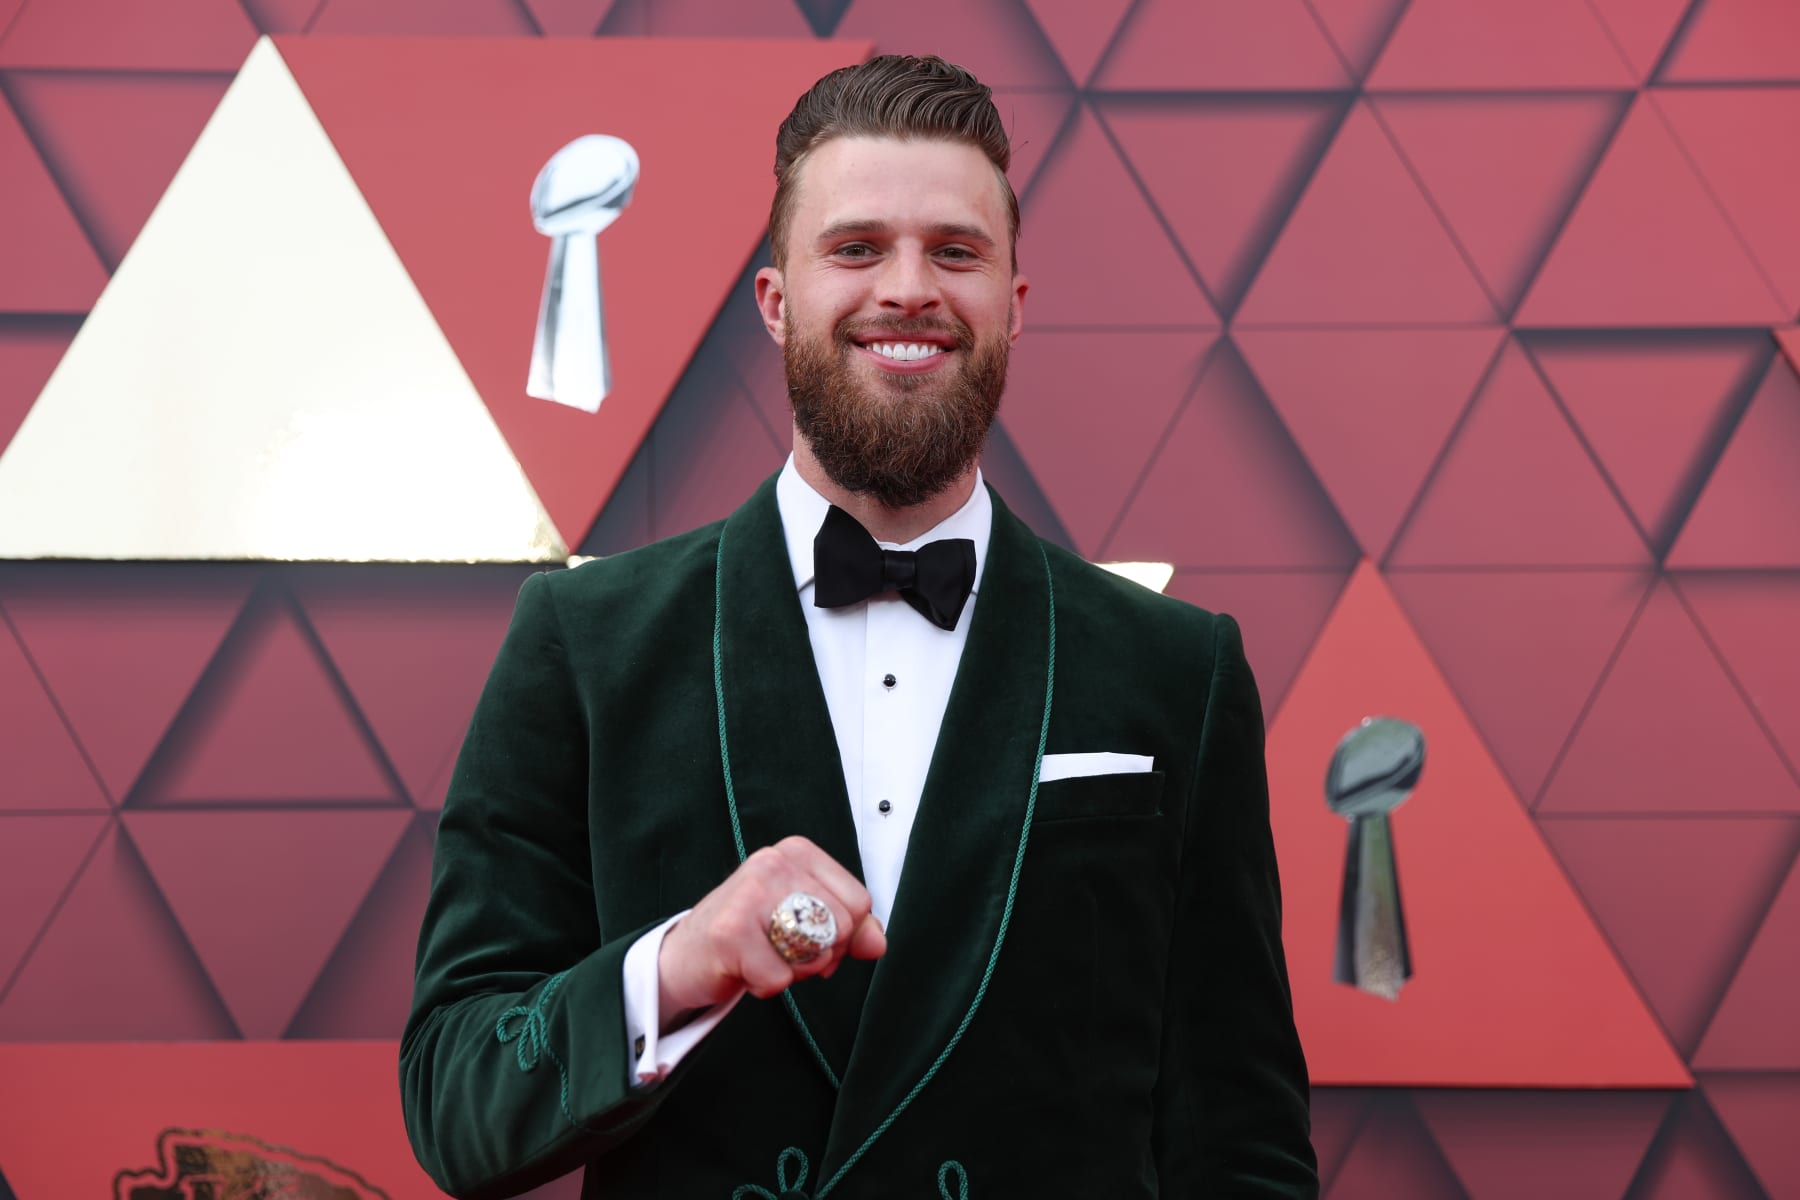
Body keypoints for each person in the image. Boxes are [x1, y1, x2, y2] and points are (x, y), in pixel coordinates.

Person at [400, 54, 1317, 1200]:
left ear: (1012, 309)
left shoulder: (1177, 670)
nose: (908, 289)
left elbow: (1242, 1142)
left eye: (956, 252)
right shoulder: (584, 644)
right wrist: (681, 963)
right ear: (778, 302)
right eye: (856, 248)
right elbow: (455, 1100)